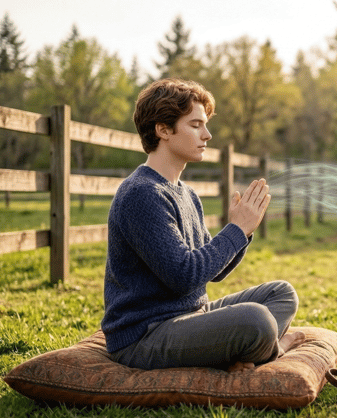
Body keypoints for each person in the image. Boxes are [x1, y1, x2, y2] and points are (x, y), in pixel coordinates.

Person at [101, 78, 303, 372]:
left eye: (205, 125)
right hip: (145, 335)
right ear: (163, 129)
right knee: (256, 320)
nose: (207, 135)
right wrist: (235, 230)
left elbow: (212, 273)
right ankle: (274, 349)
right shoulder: (141, 193)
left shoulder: (186, 193)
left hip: (190, 315)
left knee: (281, 294)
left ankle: (244, 351)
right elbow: (184, 276)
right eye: (196, 125)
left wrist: (243, 231)